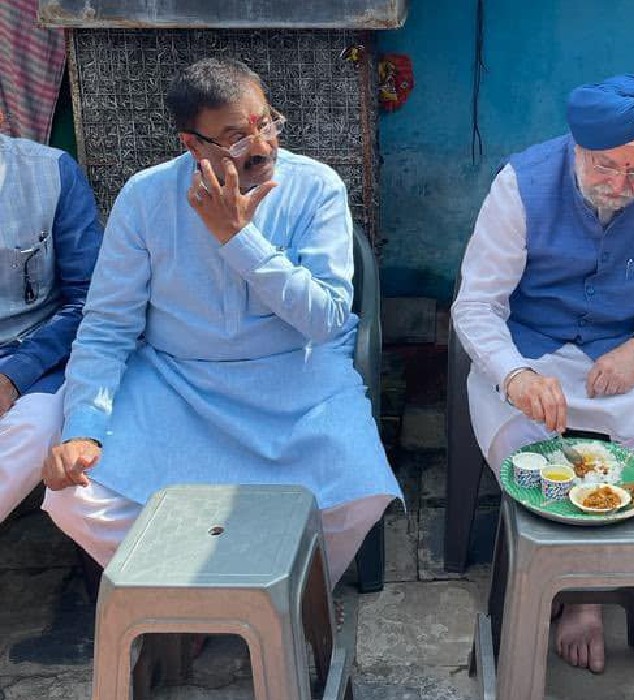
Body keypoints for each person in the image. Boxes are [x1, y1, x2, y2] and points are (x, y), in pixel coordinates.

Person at [41, 58, 400, 585]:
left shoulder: (316, 187)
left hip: (293, 381)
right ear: (193, 145)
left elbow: (326, 319)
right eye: (234, 137)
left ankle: (283, 597)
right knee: (77, 501)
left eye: (265, 123)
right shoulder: (144, 198)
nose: (260, 146)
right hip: (177, 383)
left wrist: (239, 239)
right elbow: (106, 327)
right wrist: (85, 428)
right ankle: (199, 597)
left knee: (359, 493)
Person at [452, 74, 634, 673]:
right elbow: (475, 305)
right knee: (529, 459)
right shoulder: (521, 184)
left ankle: (584, 595)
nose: (621, 185)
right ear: (578, 147)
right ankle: (564, 584)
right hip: (529, 352)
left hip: (621, 354)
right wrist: (514, 376)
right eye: (606, 167)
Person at [0, 109, 102, 523]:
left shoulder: (52, 173)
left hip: (36, 358)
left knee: (38, 428)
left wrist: (12, 377)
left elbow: (89, 300)